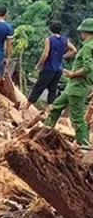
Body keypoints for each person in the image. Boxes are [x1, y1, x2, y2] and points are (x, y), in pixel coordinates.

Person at [45, 18, 93, 147]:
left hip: (78, 86)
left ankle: (84, 145)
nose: (81, 34)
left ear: (85, 31)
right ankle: (44, 133)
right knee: (55, 107)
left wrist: (73, 74)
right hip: (74, 86)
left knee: (77, 118)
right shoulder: (89, 46)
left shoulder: (88, 47)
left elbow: (88, 68)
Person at [28, 21, 77, 106]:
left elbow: (45, 54)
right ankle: (49, 109)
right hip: (58, 69)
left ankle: (26, 106)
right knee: (53, 89)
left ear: (50, 29)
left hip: (48, 68)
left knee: (38, 87)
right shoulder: (65, 40)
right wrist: (62, 56)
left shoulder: (49, 39)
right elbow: (74, 50)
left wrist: (39, 65)